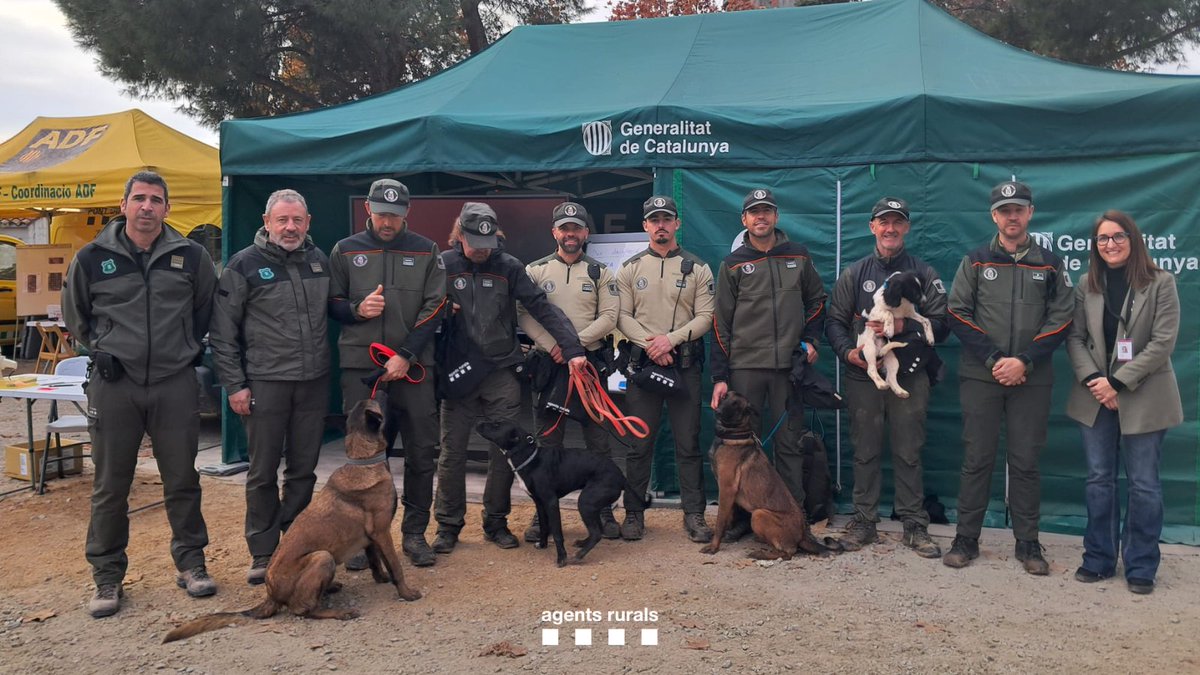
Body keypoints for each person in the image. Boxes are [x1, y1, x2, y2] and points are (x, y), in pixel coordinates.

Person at [62, 171, 219, 618]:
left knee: (182, 479)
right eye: (139, 199)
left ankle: (192, 564)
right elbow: (78, 317)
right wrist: (105, 348)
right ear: (124, 204)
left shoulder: (192, 257)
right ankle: (107, 577)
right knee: (111, 485)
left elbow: (205, 311)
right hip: (116, 385)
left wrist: (182, 350)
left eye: (156, 200)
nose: (147, 207)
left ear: (167, 208)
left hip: (174, 382)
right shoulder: (91, 258)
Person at [433, 202, 586, 552]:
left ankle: (495, 522)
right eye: (475, 242)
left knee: (504, 451)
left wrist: (573, 348)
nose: (483, 250)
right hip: (458, 373)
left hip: (501, 370)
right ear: (460, 236)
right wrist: (442, 309)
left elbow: (542, 307)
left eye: (489, 243)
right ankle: (448, 525)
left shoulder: (509, 267)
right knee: (452, 452)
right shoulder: (442, 264)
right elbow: (418, 310)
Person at [945, 180, 1074, 575]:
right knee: (977, 459)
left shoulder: (1051, 263)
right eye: (1004, 210)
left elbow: (1063, 318)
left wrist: (1024, 362)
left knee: (1025, 462)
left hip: (1031, 379)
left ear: (1030, 213)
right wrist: (997, 360)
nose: (1012, 216)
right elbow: (956, 313)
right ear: (993, 216)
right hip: (982, 376)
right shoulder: (977, 260)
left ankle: (1028, 543)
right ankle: (966, 539)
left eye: (1019, 209)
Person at [209, 189, 331, 585]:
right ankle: (262, 552)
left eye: (297, 220)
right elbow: (222, 334)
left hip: (313, 383)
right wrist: (235, 386)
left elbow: (336, 309)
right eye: (282, 220)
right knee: (262, 472)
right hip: (265, 382)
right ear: (267, 222)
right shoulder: (243, 265)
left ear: (308, 222)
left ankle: (294, 545)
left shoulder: (319, 261)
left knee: (303, 470)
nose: (290, 227)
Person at [328, 179, 447, 568]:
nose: (387, 221)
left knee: (420, 452)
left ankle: (414, 534)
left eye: (395, 215)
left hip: (413, 370)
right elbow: (332, 302)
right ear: (367, 208)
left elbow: (436, 306)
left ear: (406, 213)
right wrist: (357, 310)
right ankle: (362, 539)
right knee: (363, 458)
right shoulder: (345, 250)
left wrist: (407, 355)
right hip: (362, 370)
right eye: (381, 213)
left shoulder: (427, 250)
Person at [825, 197, 948, 557]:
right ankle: (864, 521)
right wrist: (848, 352)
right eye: (884, 222)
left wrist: (906, 325)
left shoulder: (924, 274)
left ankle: (914, 524)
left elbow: (942, 325)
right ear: (872, 227)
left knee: (909, 450)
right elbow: (834, 321)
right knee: (864, 450)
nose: (890, 228)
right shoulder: (855, 273)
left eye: (897, 222)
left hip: (910, 373)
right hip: (866, 375)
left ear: (906, 228)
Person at [1066, 210, 1181, 595]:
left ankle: (1141, 566)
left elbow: (1162, 342)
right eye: (1102, 239)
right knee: (1099, 480)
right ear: (1095, 247)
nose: (1110, 245)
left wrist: (1118, 382)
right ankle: (1098, 559)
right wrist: (1096, 381)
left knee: (1144, 484)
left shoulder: (1161, 282)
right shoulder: (1087, 285)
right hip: (1094, 395)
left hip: (1145, 395)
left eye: (1117, 237)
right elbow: (1075, 338)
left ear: (1133, 240)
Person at [710, 188, 827, 516]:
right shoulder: (732, 264)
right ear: (744, 220)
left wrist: (811, 341)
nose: (761, 217)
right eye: (754, 212)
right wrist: (720, 377)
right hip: (745, 369)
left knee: (789, 444)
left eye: (767, 211)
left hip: (789, 369)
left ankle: (793, 515)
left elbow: (817, 302)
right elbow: (721, 323)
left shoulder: (798, 255)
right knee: (745, 449)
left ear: (776, 216)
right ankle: (744, 521)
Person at [517, 201, 621, 542]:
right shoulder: (535, 271)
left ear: (586, 233)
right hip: (550, 365)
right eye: (564, 228)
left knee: (598, 442)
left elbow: (609, 316)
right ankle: (542, 514)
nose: (570, 233)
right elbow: (524, 315)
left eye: (576, 228)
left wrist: (574, 345)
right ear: (554, 232)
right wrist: (553, 346)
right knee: (547, 443)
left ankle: (604, 510)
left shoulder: (600, 272)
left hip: (588, 367)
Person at [617, 195, 715, 543]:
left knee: (688, 443)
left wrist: (669, 341)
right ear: (645, 226)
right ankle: (632, 513)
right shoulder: (630, 267)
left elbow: (706, 316)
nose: (660, 225)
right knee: (638, 444)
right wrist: (650, 345)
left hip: (684, 366)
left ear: (677, 224)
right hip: (642, 367)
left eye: (666, 219)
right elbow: (622, 317)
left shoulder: (698, 267)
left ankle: (694, 514)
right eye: (653, 219)